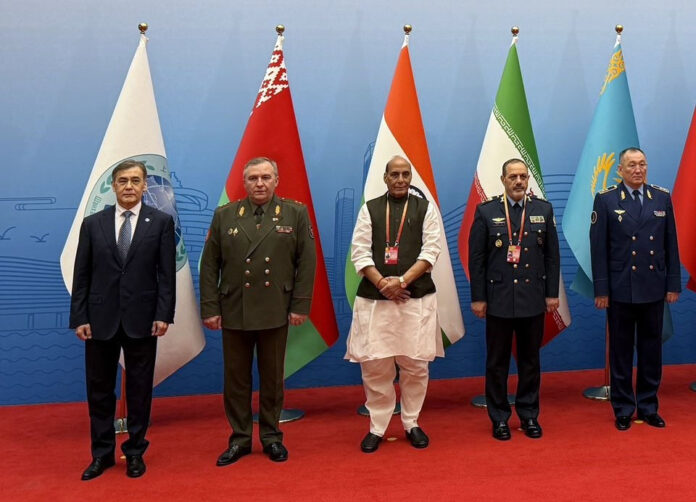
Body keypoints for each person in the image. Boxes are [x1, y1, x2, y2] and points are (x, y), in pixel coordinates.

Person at [199, 157, 316, 465]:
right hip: (235, 308)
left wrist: (300, 305)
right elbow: (210, 265)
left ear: (276, 180)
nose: (260, 183)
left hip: (275, 307)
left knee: (272, 379)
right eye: (253, 178)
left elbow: (306, 263)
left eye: (266, 177)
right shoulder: (225, 215)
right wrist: (210, 307)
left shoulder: (295, 213)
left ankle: (271, 437)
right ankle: (239, 439)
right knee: (236, 380)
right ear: (244, 182)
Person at [70, 159, 176, 480]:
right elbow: (82, 274)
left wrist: (163, 314)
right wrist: (80, 316)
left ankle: (135, 452)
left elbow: (166, 275)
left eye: (135, 180)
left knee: (139, 391)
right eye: (123, 181)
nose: (129, 186)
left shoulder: (160, 222)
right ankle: (101, 454)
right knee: (99, 391)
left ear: (145, 186)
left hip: (142, 319)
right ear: (113, 186)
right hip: (99, 319)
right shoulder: (93, 223)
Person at [346, 155, 442, 453]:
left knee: (415, 365)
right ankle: (377, 426)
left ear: (410, 177)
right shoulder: (370, 209)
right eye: (395, 174)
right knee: (376, 366)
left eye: (405, 174)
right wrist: (384, 285)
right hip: (376, 301)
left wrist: (400, 282)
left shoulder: (425, 208)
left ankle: (411, 422)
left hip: (415, 298)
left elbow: (431, 251)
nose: (400, 179)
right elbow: (359, 253)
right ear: (385, 178)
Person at [468, 158, 560, 441]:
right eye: (513, 177)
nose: (519, 181)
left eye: (523, 176)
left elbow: (552, 257)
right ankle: (499, 418)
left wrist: (552, 294)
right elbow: (477, 259)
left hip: (532, 298)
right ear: (503, 180)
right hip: (498, 298)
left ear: (528, 179)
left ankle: (529, 415)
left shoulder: (543, 209)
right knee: (497, 363)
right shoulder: (486, 211)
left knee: (530, 361)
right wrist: (479, 298)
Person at [590, 147, 681, 431]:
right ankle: (623, 408)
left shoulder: (661, 198)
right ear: (620, 170)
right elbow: (598, 249)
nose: (638, 169)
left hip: (653, 287)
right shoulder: (606, 199)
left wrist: (673, 284)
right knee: (620, 352)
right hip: (620, 288)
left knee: (651, 351)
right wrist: (601, 290)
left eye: (642, 164)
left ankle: (649, 406)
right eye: (631, 165)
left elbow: (671, 244)